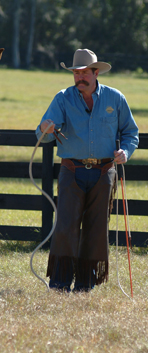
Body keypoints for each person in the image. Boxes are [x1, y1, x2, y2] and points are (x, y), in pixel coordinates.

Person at [35, 49, 139, 292]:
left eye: (84, 73)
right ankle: (60, 283)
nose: (79, 78)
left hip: (105, 172)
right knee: (65, 226)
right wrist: (45, 129)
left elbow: (130, 133)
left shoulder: (116, 98)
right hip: (71, 170)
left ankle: (86, 283)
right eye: (76, 73)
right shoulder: (62, 98)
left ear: (95, 73)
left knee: (96, 228)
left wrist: (126, 151)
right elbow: (42, 135)